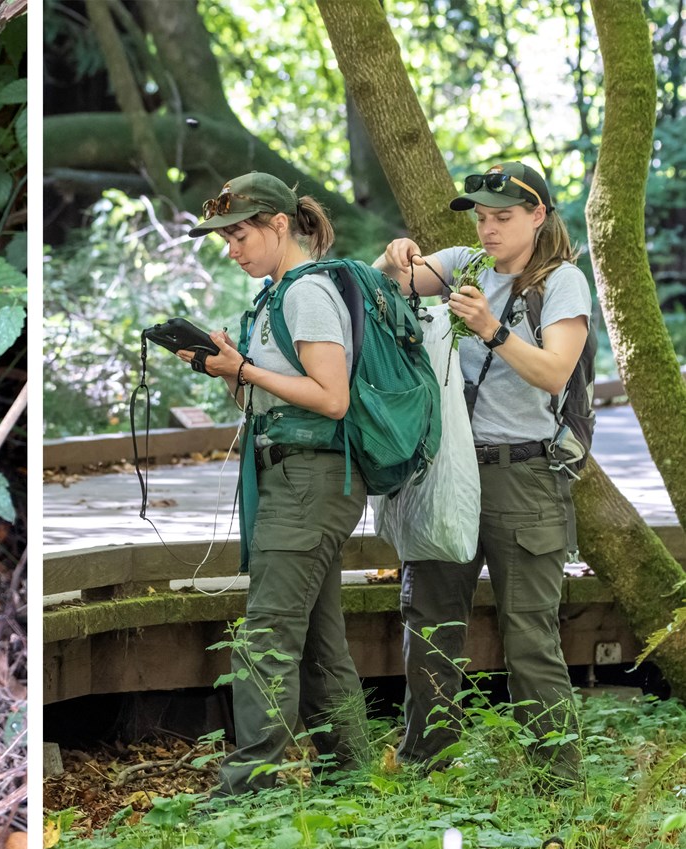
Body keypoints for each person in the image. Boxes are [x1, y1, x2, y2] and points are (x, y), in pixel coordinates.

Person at [375, 161, 589, 784]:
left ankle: (558, 782)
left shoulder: (561, 281)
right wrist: (394, 259)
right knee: (431, 623)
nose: (488, 229)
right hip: (448, 469)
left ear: (537, 216)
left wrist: (491, 329)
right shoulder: (462, 264)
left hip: (523, 478)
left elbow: (555, 373)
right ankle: (426, 768)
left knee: (529, 636)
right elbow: (387, 283)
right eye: (481, 216)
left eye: (502, 217)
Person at [178, 172, 368, 796]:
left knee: (265, 637)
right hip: (288, 475)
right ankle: (351, 775)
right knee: (317, 638)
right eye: (224, 239)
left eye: (239, 235)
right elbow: (270, 398)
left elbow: (332, 398)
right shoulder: (273, 295)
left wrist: (247, 368)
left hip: (309, 481)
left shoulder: (307, 294)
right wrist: (227, 371)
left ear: (279, 225)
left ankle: (246, 793)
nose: (230, 249)